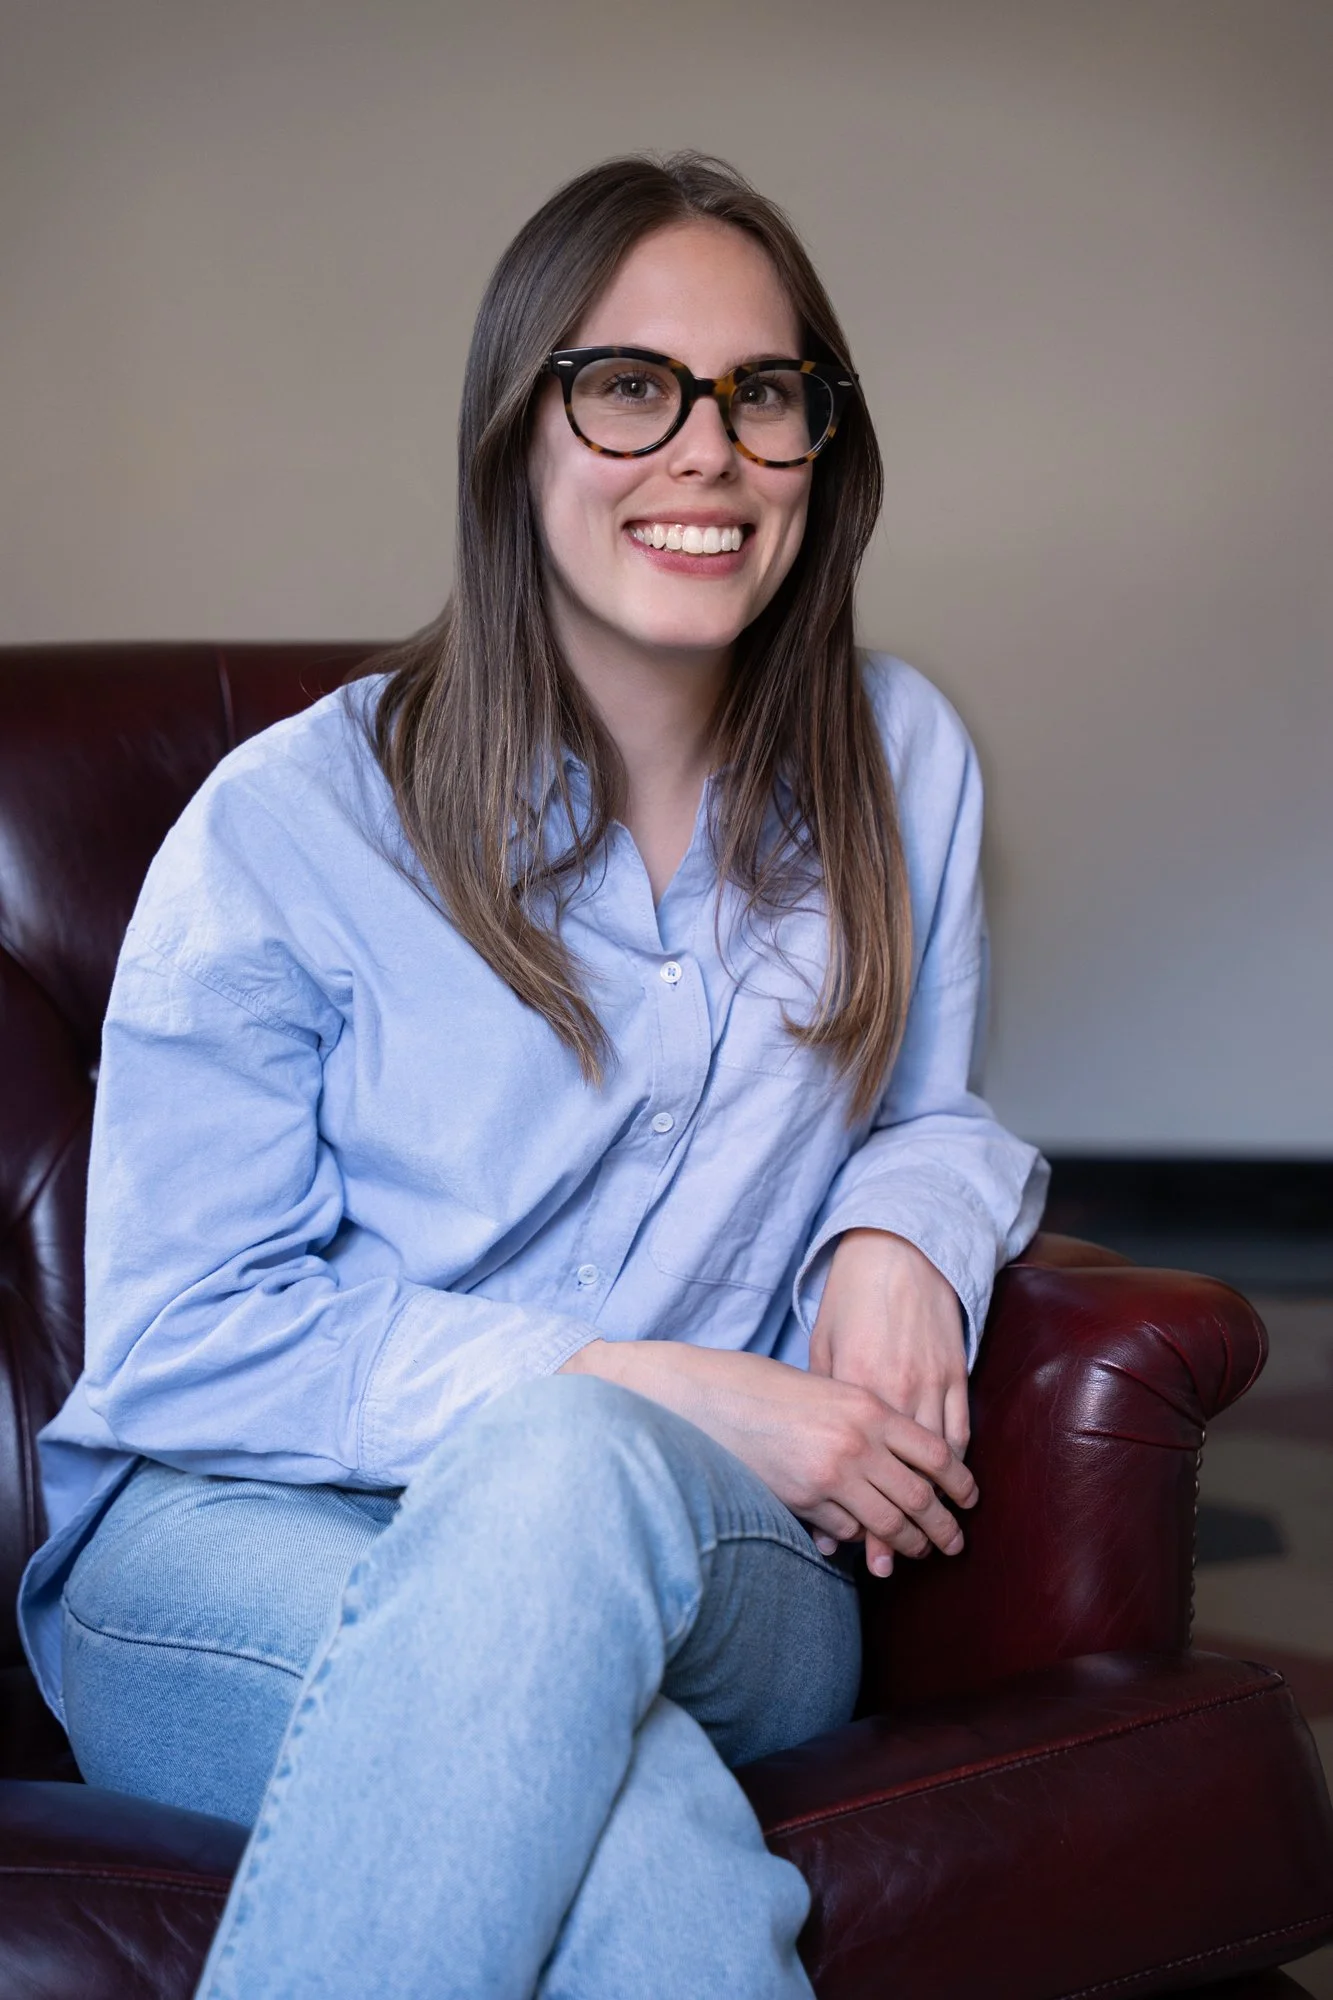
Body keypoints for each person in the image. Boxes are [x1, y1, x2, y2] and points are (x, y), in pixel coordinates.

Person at [18, 152, 1047, 1998]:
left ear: (826, 445)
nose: (707, 452)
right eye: (630, 385)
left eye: (765, 394)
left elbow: (924, 1113)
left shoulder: (904, 762)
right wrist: (652, 1388)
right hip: (234, 1551)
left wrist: (916, 1212)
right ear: (518, 432)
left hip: (726, 1567)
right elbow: (180, 1336)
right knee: (626, 1807)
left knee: (576, 1475)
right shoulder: (290, 827)